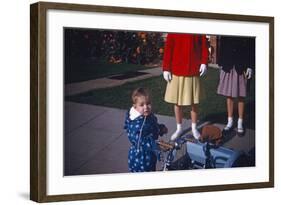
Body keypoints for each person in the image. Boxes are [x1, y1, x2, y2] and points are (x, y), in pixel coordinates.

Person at [162, 33, 209, 140]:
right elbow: (168, 48)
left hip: (193, 68)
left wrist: (204, 62)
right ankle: (179, 128)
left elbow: (203, 45)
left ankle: (194, 127)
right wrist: (166, 68)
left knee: (194, 102)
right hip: (177, 69)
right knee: (177, 102)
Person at [217, 36, 255, 135]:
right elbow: (222, 46)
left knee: (241, 95)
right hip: (228, 64)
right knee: (229, 95)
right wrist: (221, 63)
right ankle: (230, 121)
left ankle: (240, 122)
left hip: (242, 66)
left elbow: (252, 47)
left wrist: (251, 66)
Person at [124, 87, 168, 172]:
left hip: (150, 154)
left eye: (148, 103)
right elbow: (139, 140)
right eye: (142, 105)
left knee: (151, 170)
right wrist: (156, 145)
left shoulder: (148, 116)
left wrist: (160, 128)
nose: (146, 107)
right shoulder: (136, 123)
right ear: (135, 106)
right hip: (140, 156)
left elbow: (152, 127)